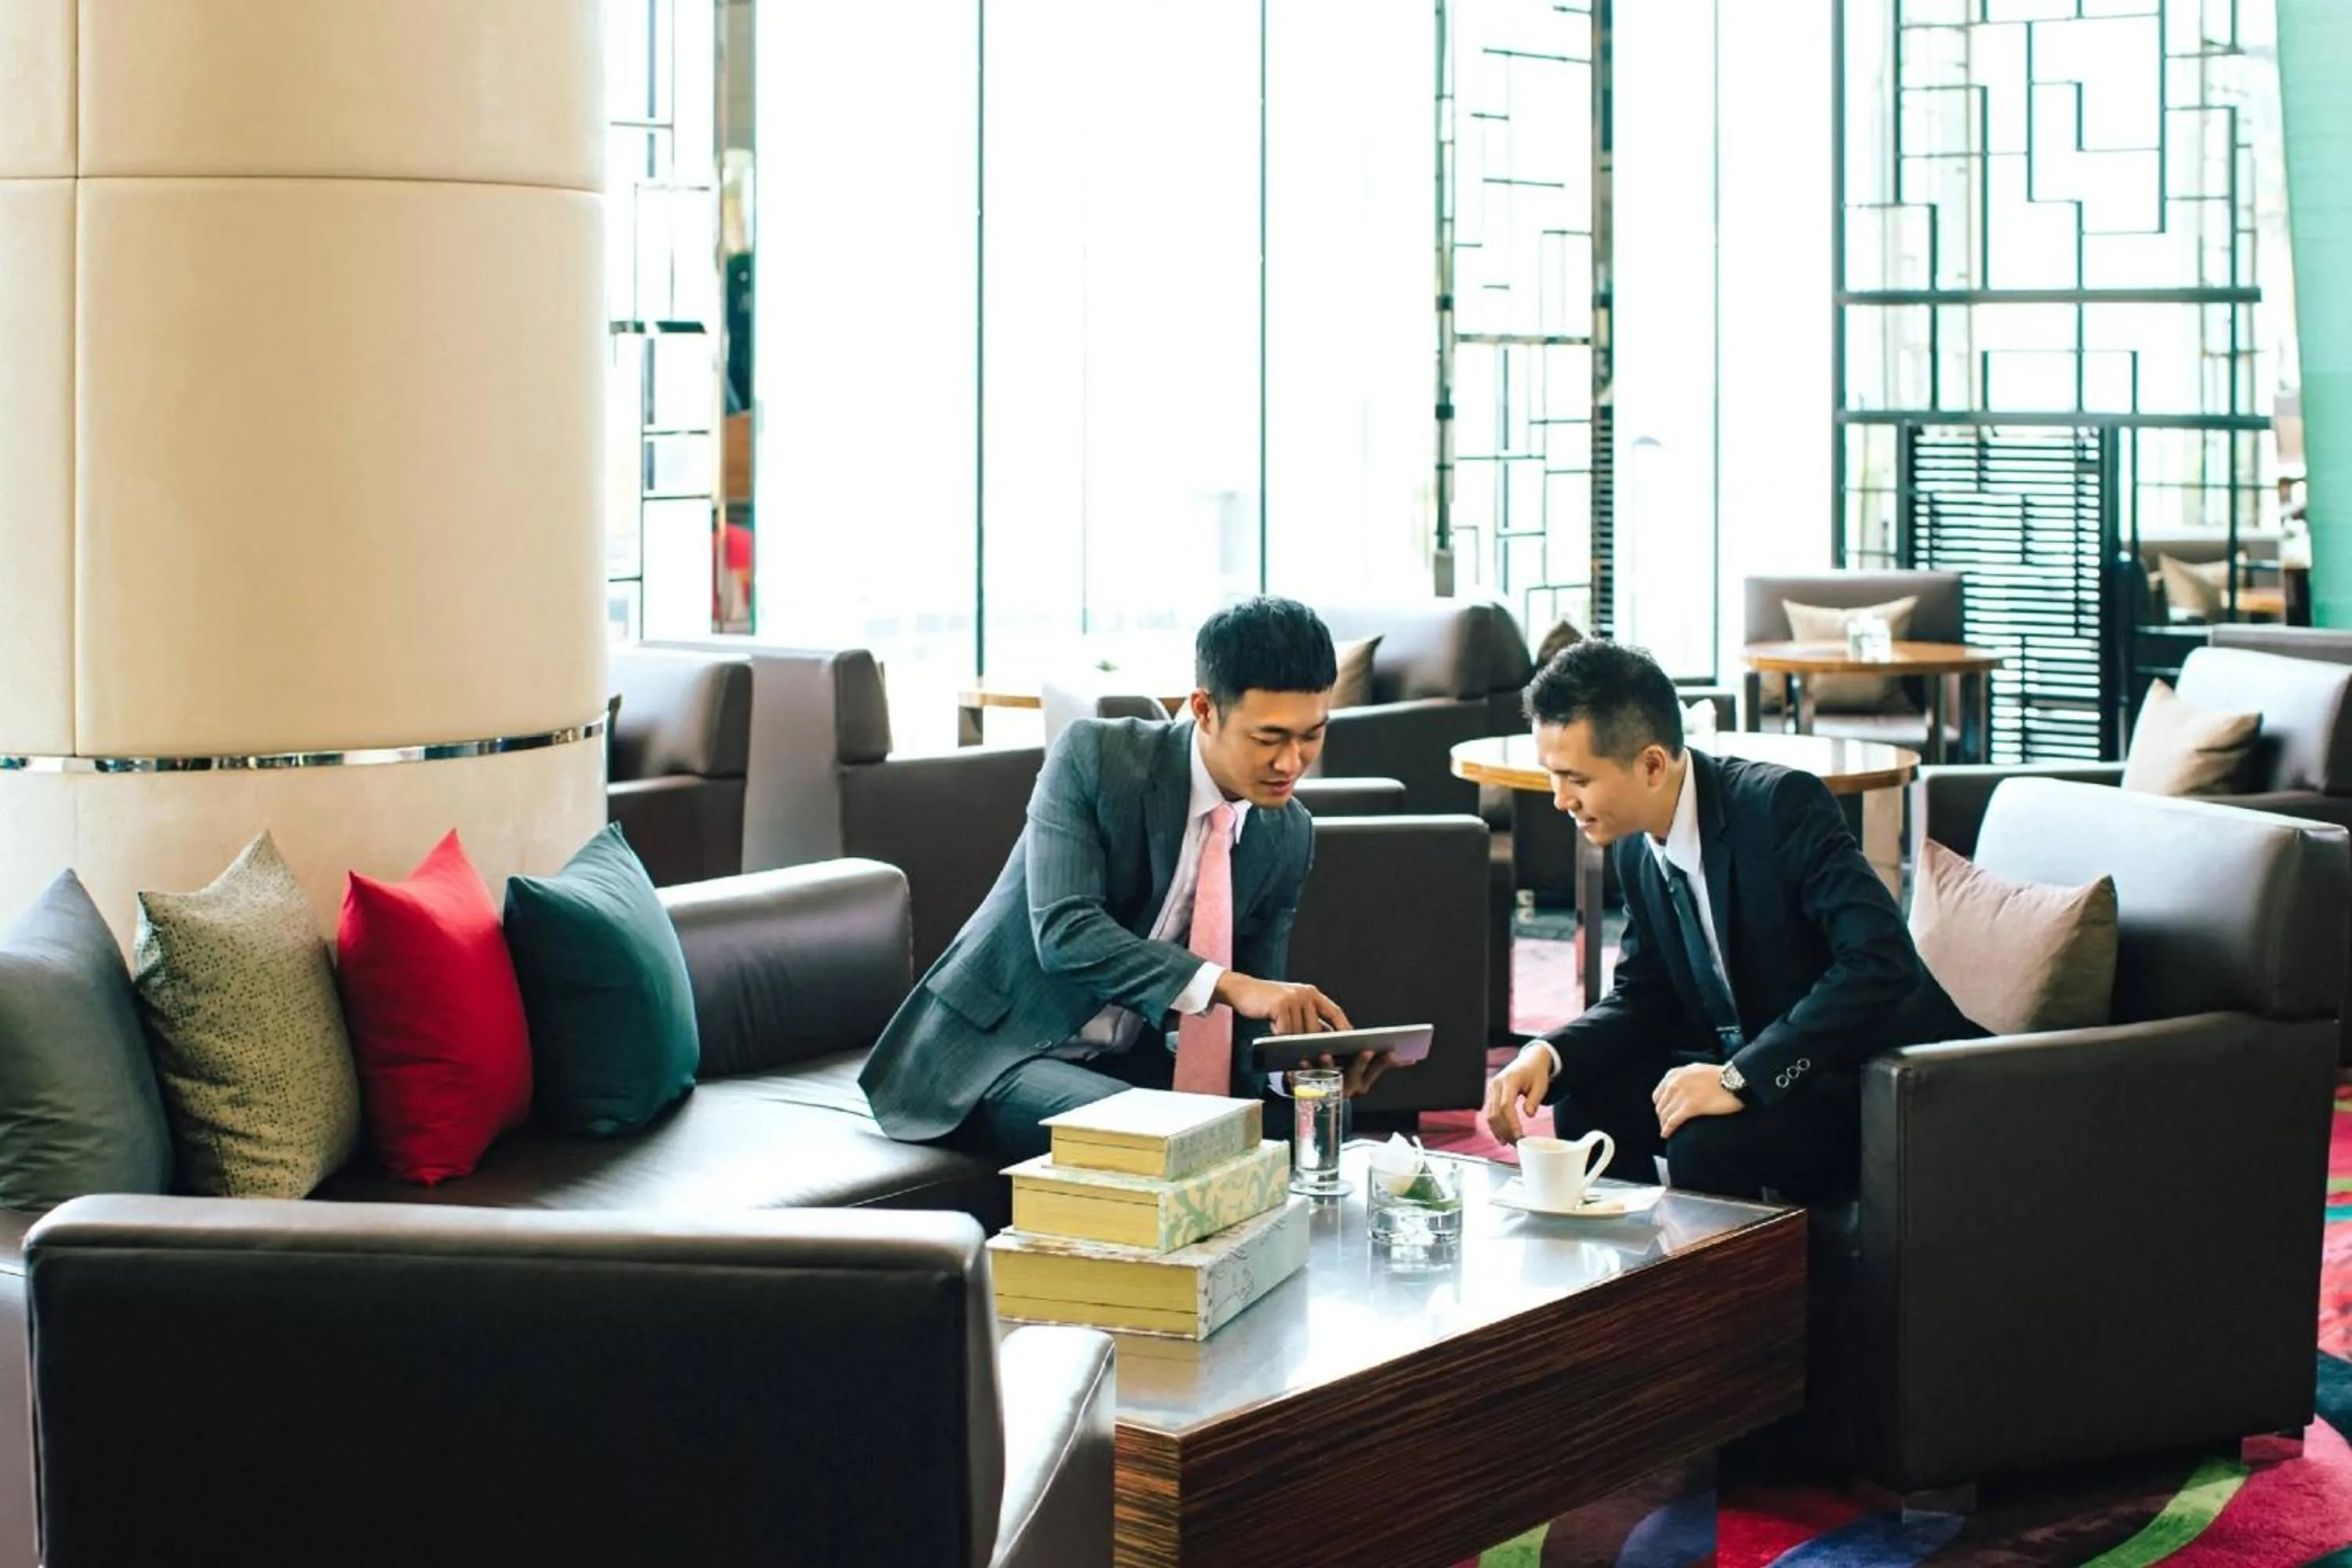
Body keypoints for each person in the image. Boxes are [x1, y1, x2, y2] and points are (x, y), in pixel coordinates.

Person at [862, 597, 1395, 1163]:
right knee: (1163, 1140)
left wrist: (1297, 1069)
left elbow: (1250, 1013)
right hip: (993, 1051)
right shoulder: (1097, 757)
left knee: (1310, 1122)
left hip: (1125, 1060)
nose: (1292, 762)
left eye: (1311, 735)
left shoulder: (1287, 833)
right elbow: (1066, 932)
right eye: (1268, 739)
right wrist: (1230, 985)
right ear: (1205, 710)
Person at [1481, 639, 1980, 1200]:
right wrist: (1549, 1053)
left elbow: (1881, 961)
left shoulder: (1780, 808)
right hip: (1759, 1061)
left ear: (1651, 764)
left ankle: (1727, 1287)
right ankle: (1633, 1270)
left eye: (1576, 778)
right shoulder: (1636, 847)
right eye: (1552, 775)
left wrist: (1742, 1077)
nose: (1559, 800)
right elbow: (1645, 998)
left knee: (1705, 1140)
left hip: (1866, 1080)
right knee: (1584, 1098)